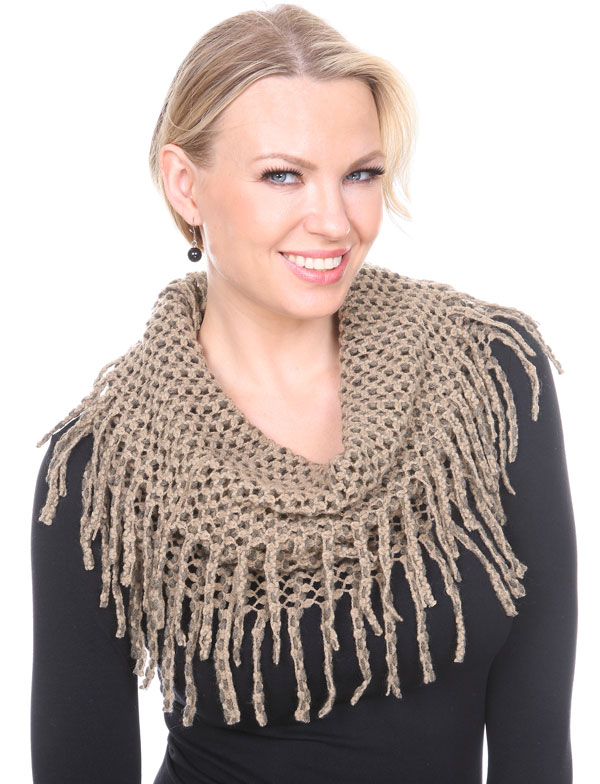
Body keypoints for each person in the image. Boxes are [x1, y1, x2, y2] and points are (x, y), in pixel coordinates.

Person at [30, 4, 577, 783]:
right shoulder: (105, 467)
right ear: (186, 186)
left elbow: (537, 746)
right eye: (282, 175)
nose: (334, 220)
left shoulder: (485, 376)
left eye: (360, 174)